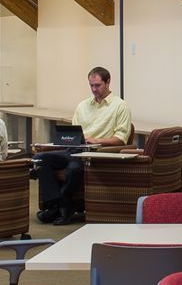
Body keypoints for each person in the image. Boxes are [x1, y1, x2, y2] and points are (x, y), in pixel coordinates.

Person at [35, 66, 132, 224]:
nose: (94, 89)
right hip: (74, 149)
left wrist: (97, 140)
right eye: (91, 86)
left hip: (96, 152)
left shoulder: (120, 106)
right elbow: (74, 133)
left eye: (97, 85)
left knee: (74, 168)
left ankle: (62, 207)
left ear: (108, 82)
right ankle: (57, 205)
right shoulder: (83, 106)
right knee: (39, 159)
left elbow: (121, 139)